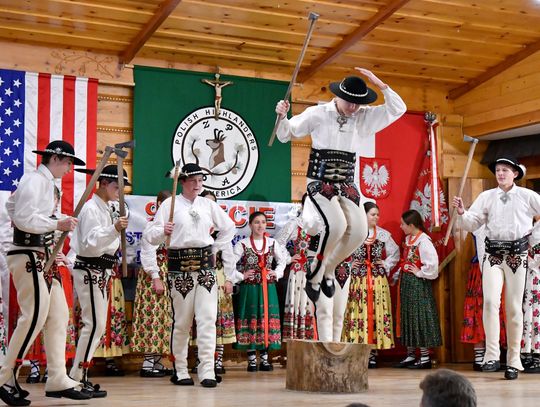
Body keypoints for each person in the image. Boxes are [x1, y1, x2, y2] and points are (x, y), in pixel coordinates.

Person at [275, 67, 406, 341]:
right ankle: (316, 272)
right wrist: (282, 115)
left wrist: (380, 83)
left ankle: (327, 270)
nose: (355, 107)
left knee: (358, 231)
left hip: (347, 184)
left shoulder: (365, 116)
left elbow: (398, 108)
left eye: (359, 103)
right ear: (338, 97)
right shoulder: (318, 113)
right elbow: (286, 134)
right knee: (335, 225)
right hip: (319, 182)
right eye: (351, 102)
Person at [0, 140, 89, 406]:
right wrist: (56, 222)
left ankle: (58, 377)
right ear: (57, 159)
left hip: (43, 257)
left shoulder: (44, 184)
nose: (70, 169)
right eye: (69, 163)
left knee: (59, 315)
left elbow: (13, 208)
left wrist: (55, 220)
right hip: (28, 255)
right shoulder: (35, 181)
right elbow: (23, 218)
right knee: (34, 316)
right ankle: (5, 375)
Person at [145, 163, 235, 388]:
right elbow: (150, 236)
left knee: (207, 319)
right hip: (180, 268)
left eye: (201, 181)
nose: (198, 185)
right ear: (182, 182)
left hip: (206, 268)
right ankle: (181, 369)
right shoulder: (169, 204)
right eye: (193, 181)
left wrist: (215, 248)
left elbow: (229, 227)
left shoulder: (208, 205)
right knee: (183, 322)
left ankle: (207, 371)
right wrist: (162, 230)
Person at [453, 156, 540, 380]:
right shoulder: (486, 197)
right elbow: (473, 223)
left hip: (516, 255)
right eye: (498, 170)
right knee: (490, 301)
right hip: (492, 255)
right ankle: (491, 355)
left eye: (505, 170)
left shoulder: (527, 196)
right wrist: (463, 213)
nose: (500, 173)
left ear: (515, 174)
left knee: (512, 307)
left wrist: (532, 239)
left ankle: (513, 360)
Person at [69, 164, 130, 398]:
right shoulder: (90, 209)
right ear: (103, 184)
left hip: (103, 270)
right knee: (92, 324)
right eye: (117, 186)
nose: (120, 191)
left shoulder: (108, 207)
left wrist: (116, 226)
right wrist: (114, 229)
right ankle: (75, 377)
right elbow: (90, 243)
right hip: (89, 268)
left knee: (96, 326)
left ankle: (80, 375)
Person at [342, 202, 399, 367]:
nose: (376, 217)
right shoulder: (353, 234)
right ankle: (357, 349)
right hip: (358, 281)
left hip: (377, 280)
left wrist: (386, 264)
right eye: (372, 214)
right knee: (358, 312)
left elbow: (395, 253)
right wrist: (349, 264)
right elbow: (340, 251)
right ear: (364, 215)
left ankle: (373, 353)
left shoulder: (382, 235)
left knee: (375, 312)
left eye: (377, 214)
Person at [231, 212, 287, 372]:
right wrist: (241, 275)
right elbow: (229, 264)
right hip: (250, 289)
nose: (260, 225)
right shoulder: (242, 244)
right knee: (251, 318)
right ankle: (251, 360)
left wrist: (277, 273)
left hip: (268, 288)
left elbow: (282, 261)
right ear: (249, 225)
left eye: (263, 222)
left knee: (266, 319)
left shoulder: (272, 242)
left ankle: (264, 358)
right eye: (256, 222)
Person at [131, 190, 173, 377]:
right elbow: (148, 252)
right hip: (154, 273)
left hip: (168, 274)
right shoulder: (152, 227)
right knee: (152, 316)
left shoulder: (172, 227)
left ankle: (156, 360)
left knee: (164, 318)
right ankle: (148, 363)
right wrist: (155, 276)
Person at [394, 210, 442, 369]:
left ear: (411, 225)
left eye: (403, 224)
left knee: (419, 318)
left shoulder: (423, 241)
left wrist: (420, 273)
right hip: (407, 284)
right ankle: (410, 354)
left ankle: (425, 357)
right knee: (408, 317)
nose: (400, 227)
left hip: (418, 284)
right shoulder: (408, 239)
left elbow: (433, 265)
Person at [275, 194, 317, 340]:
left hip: (318, 271)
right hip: (300, 271)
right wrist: (288, 258)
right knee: (300, 301)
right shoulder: (295, 224)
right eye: (309, 205)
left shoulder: (321, 226)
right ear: (303, 206)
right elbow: (278, 242)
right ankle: (297, 339)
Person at [521, 216, 540, 373]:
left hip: (536, 272)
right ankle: (528, 351)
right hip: (530, 275)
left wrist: (531, 254)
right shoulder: (532, 226)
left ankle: (537, 355)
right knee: (529, 312)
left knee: (537, 313)